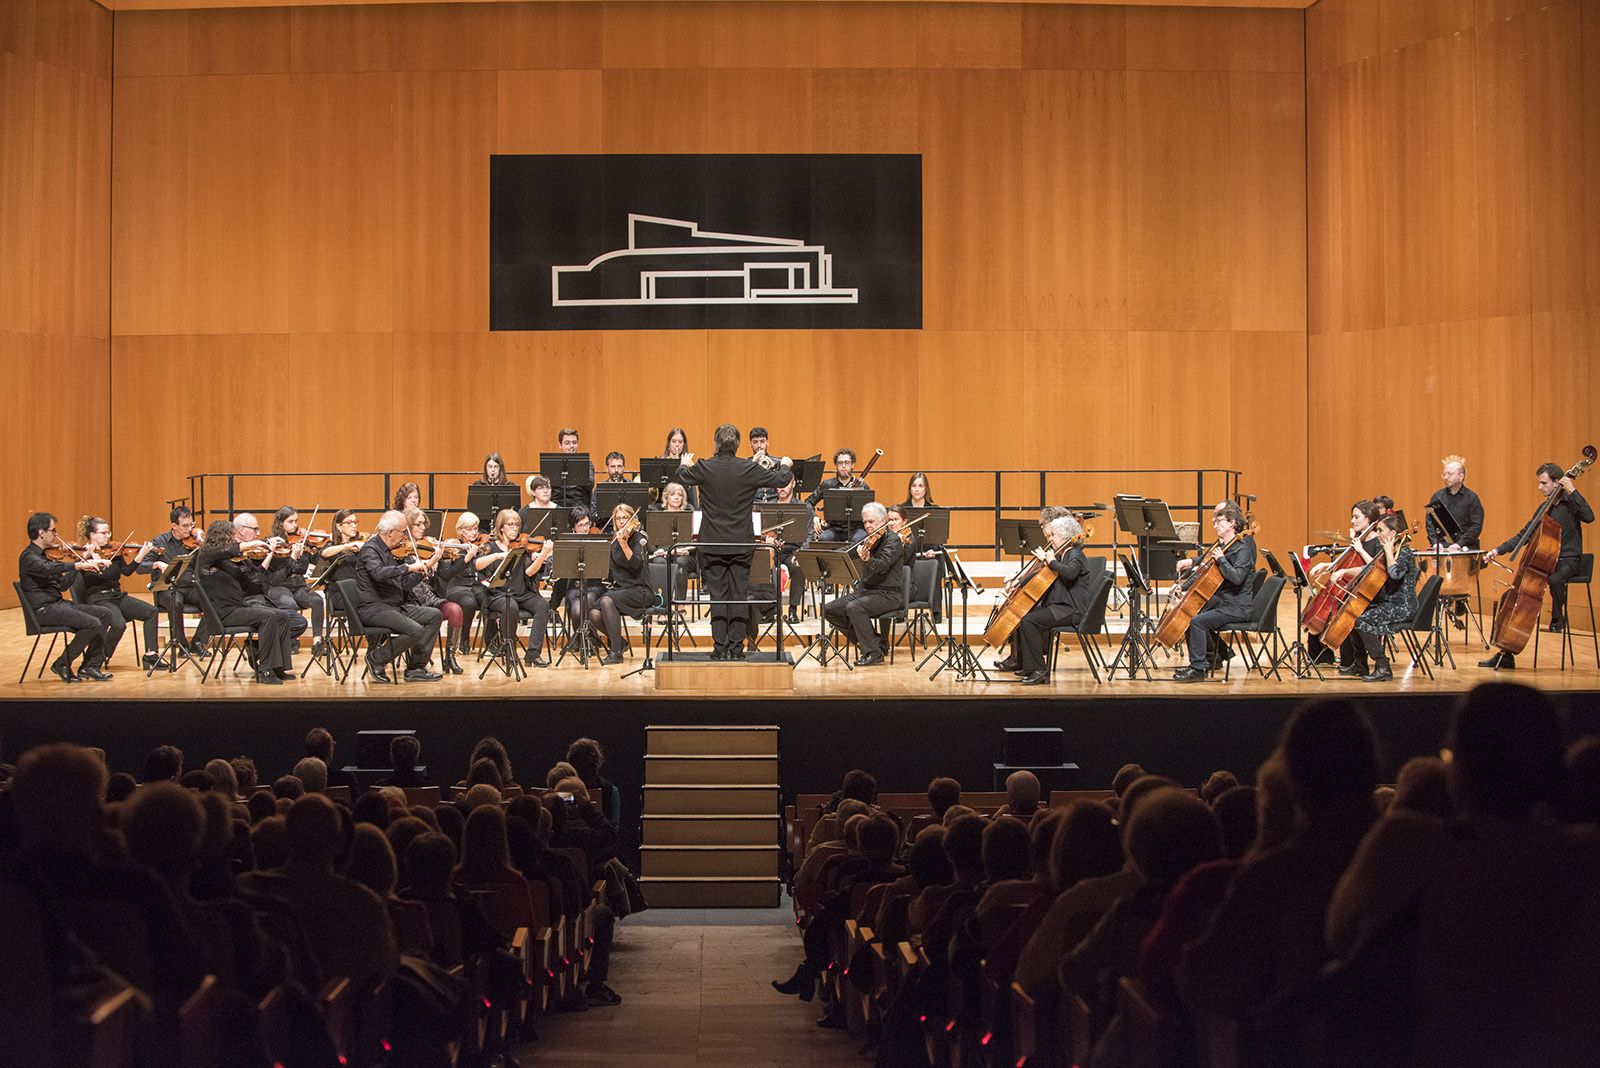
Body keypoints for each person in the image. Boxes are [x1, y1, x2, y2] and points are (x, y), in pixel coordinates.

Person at [676, 423, 793, 659]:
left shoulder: (705, 467)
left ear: (716, 444)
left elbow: (682, 475)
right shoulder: (747, 468)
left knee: (718, 596)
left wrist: (684, 463)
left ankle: (720, 649)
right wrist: (786, 464)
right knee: (739, 594)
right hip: (741, 543)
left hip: (712, 544)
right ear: (738, 445)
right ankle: (737, 649)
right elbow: (781, 479)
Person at [1480, 460, 1594, 667]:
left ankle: (1559, 619)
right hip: (1546, 562)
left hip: (1569, 560)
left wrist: (1573, 489)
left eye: (1543, 483)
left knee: (1556, 579)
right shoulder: (1545, 508)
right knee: (1510, 597)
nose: (1539, 487)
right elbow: (1524, 535)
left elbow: (1590, 516)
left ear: (1557, 482)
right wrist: (1497, 550)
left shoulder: (1571, 504)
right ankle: (1505, 652)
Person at [194, 518, 299, 684]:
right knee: (268, 617)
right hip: (222, 612)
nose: (235, 538)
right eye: (232, 535)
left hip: (236, 608)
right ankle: (265, 670)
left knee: (282, 616)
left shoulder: (232, 561)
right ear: (222, 536)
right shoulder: (206, 555)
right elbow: (229, 549)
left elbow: (254, 581)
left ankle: (279, 667)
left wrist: (269, 554)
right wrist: (254, 543)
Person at [994, 513, 1093, 684]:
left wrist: (1051, 561)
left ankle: (1040, 671)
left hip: (1072, 610)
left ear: (1065, 536)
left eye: (1053, 535)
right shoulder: (1064, 554)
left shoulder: (1075, 554)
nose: (1051, 539)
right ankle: (1028, 665)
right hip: (1061, 606)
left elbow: (1070, 573)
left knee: (1030, 621)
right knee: (1024, 616)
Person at [19, 512, 113, 682]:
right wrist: (77, 564)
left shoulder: (46, 556)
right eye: (53, 531)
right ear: (41, 532)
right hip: (44, 610)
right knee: (92, 623)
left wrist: (80, 566)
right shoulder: (29, 557)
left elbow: (62, 585)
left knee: (104, 613)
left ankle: (90, 666)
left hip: (58, 605)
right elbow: (47, 569)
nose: (56, 535)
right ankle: (62, 663)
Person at [353, 510, 443, 683]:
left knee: (434, 615)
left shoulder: (388, 551)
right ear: (390, 532)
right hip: (374, 608)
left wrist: (427, 566)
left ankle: (416, 668)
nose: (404, 536)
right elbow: (379, 573)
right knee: (415, 630)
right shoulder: (369, 550)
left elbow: (402, 585)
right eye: (402, 532)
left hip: (394, 606)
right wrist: (408, 568)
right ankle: (376, 658)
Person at [1171, 500, 1257, 682]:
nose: (1216, 526)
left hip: (1237, 608)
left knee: (1198, 621)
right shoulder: (1225, 546)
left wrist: (1222, 560)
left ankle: (1198, 668)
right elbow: (1204, 568)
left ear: (1232, 523)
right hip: (1225, 603)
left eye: (1220, 522)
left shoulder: (1243, 549)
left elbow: (1237, 578)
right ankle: (1212, 659)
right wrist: (1183, 587)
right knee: (1190, 615)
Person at [75, 515, 166, 671]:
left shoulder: (114, 553)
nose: (107, 536)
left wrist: (141, 555)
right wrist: (87, 558)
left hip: (116, 596)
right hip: (98, 599)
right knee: (119, 624)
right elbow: (90, 577)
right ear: (92, 535)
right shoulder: (83, 556)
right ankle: (98, 657)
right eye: (103, 533)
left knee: (151, 612)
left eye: (108, 532)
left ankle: (151, 656)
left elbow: (127, 572)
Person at [822, 501, 904, 666]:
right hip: (866, 592)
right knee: (829, 609)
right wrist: (824, 557)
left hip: (888, 594)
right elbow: (847, 552)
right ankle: (873, 641)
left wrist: (868, 559)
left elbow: (881, 566)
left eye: (871, 522)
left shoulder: (893, 540)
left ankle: (873, 652)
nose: (867, 526)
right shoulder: (867, 540)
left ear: (882, 521)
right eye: (865, 522)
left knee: (855, 607)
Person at [475, 508, 554, 667]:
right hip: (497, 594)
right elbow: (477, 564)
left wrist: (544, 554)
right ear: (501, 527)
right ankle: (510, 651)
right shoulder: (491, 547)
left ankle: (533, 654)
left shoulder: (522, 547)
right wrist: (498, 556)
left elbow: (530, 572)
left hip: (521, 592)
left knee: (542, 605)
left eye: (517, 525)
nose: (515, 528)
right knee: (510, 607)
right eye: (510, 525)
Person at [1350, 514, 1418, 682]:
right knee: (1352, 614)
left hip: (1402, 607)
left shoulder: (1405, 552)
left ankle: (1382, 667)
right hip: (1389, 603)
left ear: (1392, 533)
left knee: (1362, 621)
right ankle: (1360, 663)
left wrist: (1388, 551)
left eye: (1381, 530)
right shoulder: (1388, 551)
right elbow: (1372, 569)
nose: (1377, 533)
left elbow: (1395, 574)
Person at [140, 504, 205, 655]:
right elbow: (141, 566)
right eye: (184, 526)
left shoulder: (194, 542)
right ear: (174, 526)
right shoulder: (159, 542)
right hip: (167, 589)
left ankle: (198, 641)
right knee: (175, 602)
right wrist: (156, 564)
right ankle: (181, 645)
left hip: (189, 587)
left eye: (191, 525)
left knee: (214, 600)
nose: (189, 529)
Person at [432, 511, 492, 670]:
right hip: (456, 586)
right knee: (468, 602)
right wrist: (467, 557)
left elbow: (483, 570)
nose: (475, 532)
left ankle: (491, 641)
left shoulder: (479, 546)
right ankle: (464, 639)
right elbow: (446, 574)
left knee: (490, 598)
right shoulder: (452, 547)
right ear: (460, 531)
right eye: (470, 529)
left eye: (476, 528)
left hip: (475, 585)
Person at [594, 503, 653, 665]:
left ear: (632, 519)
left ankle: (616, 652)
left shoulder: (640, 538)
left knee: (607, 600)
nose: (621, 522)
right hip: (621, 590)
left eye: (625, 518)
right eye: (618, 518)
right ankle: (620, 642)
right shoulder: (614, 540)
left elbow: (635, 564)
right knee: (593, 613)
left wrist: (624, 543)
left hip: (640, 591)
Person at [265, 506, 326, 656]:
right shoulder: (275, 544)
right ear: (280, 524)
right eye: (290, 521)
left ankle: (317, 643)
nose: (295, 525)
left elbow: (318, 560)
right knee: (288, 603)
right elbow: (278, 575)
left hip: (298, 586)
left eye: (296, 521)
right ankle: (291, 639)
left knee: (317, 600)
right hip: (280, 585)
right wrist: (292, 556)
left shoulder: (302, 541)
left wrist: (313, 547)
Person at [808, 447, 869, 543]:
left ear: (853, 465)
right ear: (836, 465)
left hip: (856, 529)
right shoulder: (827, 485)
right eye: (840, 463)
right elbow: (808, 503)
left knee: (861, 539)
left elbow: (870, 510)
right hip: (834, 529)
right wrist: (814, 517)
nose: (843, 466)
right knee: (824, 538)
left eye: (847, 463)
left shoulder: (863, 487)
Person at [1425, 454, 1483, 549]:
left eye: (1450, 474)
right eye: (1444, 474)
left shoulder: (1472, 498)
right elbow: (1430, 523)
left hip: (1466, 548)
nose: (1446, 477)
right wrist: (1435, 543)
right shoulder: (1437, 497)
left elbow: (1476, 526)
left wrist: (1459, 544)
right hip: (1442, 548)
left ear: (1461, 476)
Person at [552, 427, 595, 509]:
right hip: (557, 504)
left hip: (580, 505)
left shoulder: (587, 463)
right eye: (567, 443)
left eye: (574, 443)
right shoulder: (552, 464)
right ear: (560, 445)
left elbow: (590, 484)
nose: (571, 446)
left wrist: (576, 466)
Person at [661, 427, 699, 507]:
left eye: (680, 442)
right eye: (674, 441)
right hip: (663, 501)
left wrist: (692, 467)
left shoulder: (688, 462)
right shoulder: (661, 461)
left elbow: (692, 491)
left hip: (683, 502)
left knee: (691, 508)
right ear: (669, 443)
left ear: (684, 445)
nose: (677, 445)